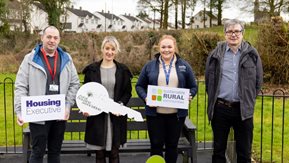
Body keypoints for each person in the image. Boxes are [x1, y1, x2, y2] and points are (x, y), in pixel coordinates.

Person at [14, 26, 80, 163]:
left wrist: (67, 105)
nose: (52, 40)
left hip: (59, 115)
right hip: (38, 114)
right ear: (42, 38)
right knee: (37, 152)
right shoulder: (30, 59)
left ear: (59, 40)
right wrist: (20, 111)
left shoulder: (66, 59)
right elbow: (20, 86)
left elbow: (74, 83)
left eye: (55, 38)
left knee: (55, 153)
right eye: (49, 37)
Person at [205, 19, 263, 163]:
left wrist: (247, 100)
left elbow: (258, 82)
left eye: (237, 31)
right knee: (218, 151)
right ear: (225, 34)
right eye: (230, 31)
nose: (233, 34)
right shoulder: (215, 55)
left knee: (244, 152)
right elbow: (209, 82)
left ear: (243, 33)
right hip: (221, 109)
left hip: (243, 110)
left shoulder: (252, 54)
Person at [136, 35, 198, 163]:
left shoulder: (184, 66)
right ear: (159, 48)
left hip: (176, 116)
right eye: (163, 47)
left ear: (175, 48)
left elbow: (193, 86)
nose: (166, 50)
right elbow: (139, 86)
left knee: (172, 146)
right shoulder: (150, 66)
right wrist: (146, 98)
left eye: (169, 46)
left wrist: (190, 95)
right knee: (156, 146)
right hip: (155, 115)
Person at [82, 36, 132, 163]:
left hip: (116, 118)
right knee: (99, 154)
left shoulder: (123, 70)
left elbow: (127, 92)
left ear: (116, 51)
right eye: (107, 48)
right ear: (102, 49)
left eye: (113, 49)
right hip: (98, 118)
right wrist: (86, 108)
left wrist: (120, 105)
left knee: (114, 154)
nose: (109, 52)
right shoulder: (92, 70)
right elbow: (86, 92)